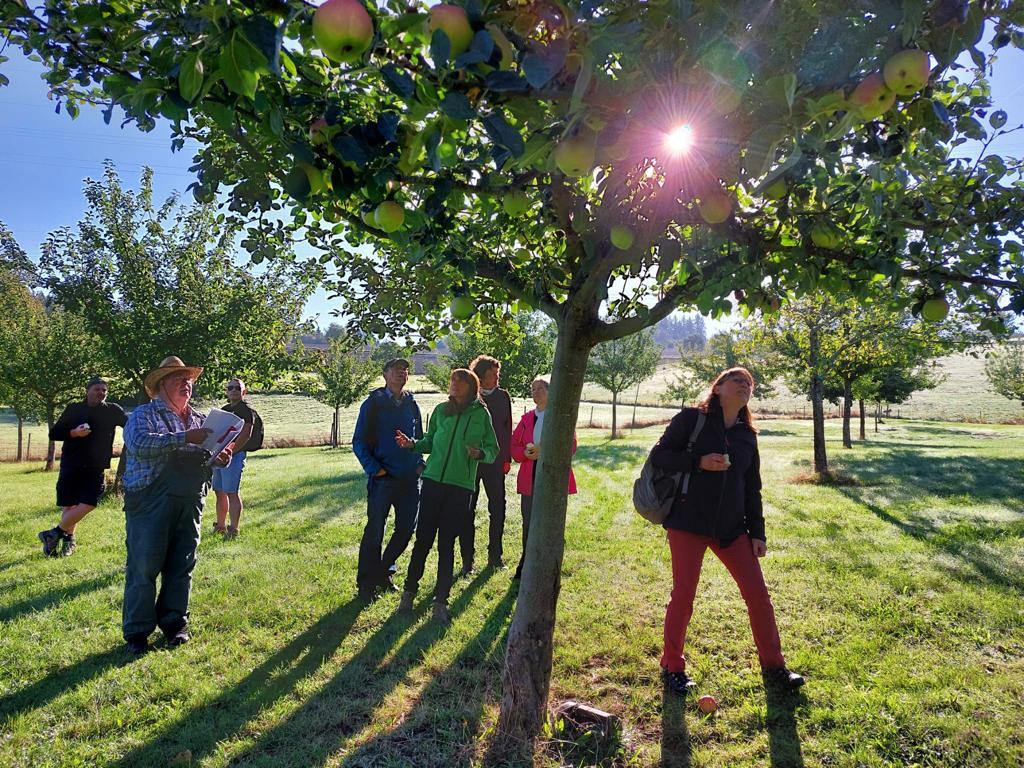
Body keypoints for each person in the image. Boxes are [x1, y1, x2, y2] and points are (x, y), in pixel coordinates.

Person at [650, 367, 804, 695]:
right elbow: (661, 456)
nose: (745, 386)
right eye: (737, 381)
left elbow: (753, 487)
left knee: (759, 596)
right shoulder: (692, 419)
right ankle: (672, 666)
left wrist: (758, 533)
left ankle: (775, 666)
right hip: (688, 524)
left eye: (749, 383)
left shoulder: (747, 435)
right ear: (717, 387)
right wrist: (697, 461)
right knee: (684, 597)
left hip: (733, 530)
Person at [120, 356, 232, 654]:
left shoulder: (200, 420)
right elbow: (139, 444)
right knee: (143, 568)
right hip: (148, 502)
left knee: (183, 565)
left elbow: (206, 455)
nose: (186, 385)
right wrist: (184, 437)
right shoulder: (142, 414)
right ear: (159, 385)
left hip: (190, 500)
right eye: (178, 379)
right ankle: (137, 634)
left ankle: (175, 625)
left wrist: (220, 456)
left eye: (189, 381)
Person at [394, 368, 498, 624]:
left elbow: (493, 449)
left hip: (460, 486)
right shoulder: (441, 411)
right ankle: (409, 592)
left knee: (446, 544)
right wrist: (413, 444)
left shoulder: (481, 415)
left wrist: (480, 454)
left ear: (471, 387)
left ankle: (440, 601)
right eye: (452, 381)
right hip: (432, 482)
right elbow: (429, 442)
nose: (454, 385)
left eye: (460, 382)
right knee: (423, 540)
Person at [351, 358, 424, 602]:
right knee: (375, 532)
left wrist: (419, 463)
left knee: (406, 530)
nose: (401, 374)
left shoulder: (412, 404)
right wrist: (375, 470)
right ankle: (366, 584)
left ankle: (383, 572)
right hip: (383, 479)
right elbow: (359, 441)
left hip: (409, 480)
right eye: (395, 370)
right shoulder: (373, 404)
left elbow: (419, 439)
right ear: (384, 374)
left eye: (404, 370)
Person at [38, 377, 127, 557]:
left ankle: (53, 533)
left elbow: (130, 425)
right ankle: (65, 543)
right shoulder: (74, 409)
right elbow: (54, 433)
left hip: (95, 466)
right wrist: (74, 433)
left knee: (89, 502)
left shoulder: (112, 410)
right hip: (71, 463)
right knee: (69, 505)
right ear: (87, 390)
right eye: (97, 389)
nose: (101, 393)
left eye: (104, 390)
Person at [509, 377, 577, 580]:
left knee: (551, 522)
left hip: (552, 476)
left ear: (550, 392)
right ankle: (526, 563)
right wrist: (524, 454)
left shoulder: (560, 417)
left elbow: (571, 445)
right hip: (529, 476)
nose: (535, 392)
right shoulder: (527, 418)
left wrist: (545, 451)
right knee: (528, 522)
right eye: (533, 389)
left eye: (540, 388)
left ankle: (549, 566)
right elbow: (514, 445)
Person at [459, 354, 513, 573]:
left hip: (495, 461)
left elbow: (507, 429)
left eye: (498, 374)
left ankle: (495, 556)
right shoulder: (469, 397)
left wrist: (506, 458)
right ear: (481, 376)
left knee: (498, 508)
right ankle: (467, 561)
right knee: (466, 510)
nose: (497, 378)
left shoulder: (503, 397)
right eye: (492, 374)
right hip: (470, 463)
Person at [212, 377, 255, 539]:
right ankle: (220, 525)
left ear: (244, 392)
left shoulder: (246, 411)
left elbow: (246, 434)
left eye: (237, 388)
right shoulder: (224, 409)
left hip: (234, 456)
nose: (234, 390)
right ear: (227, 392)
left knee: (231, 492)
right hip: (218, 455)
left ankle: (234, 529)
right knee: (219, 491)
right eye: (230, 388)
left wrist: (231, 452)